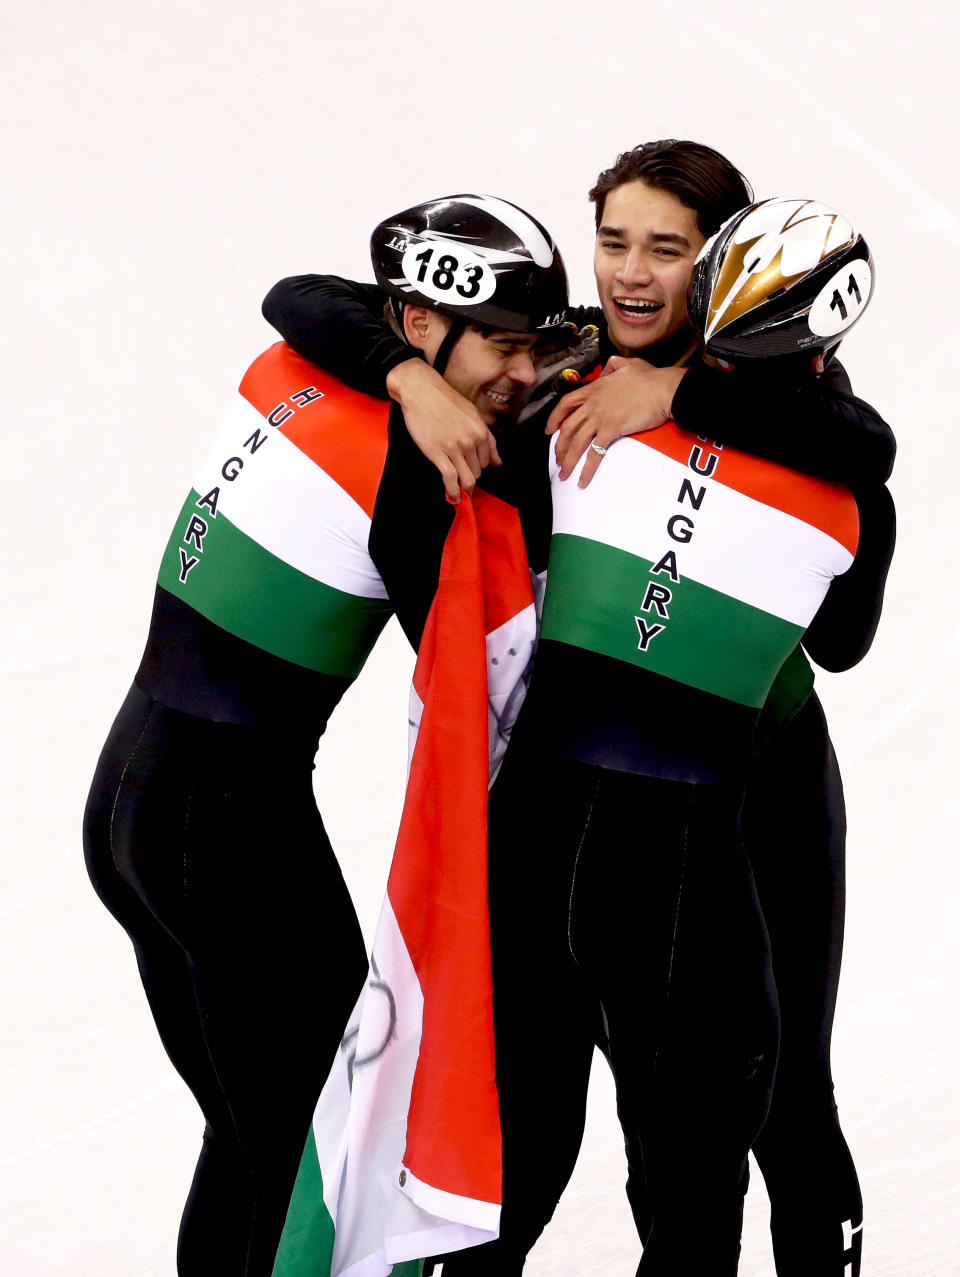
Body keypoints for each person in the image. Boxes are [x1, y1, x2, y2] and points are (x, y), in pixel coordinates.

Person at [260, 141, 894, 1276]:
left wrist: (679, 391)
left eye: (669, 247)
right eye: (613, 242)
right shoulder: (568, 363)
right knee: (521, 1131)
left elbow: (864, 448)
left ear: (725, 265)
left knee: (788, 1095)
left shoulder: (789, 392)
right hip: (579, 798)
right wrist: (408, 377)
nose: (631, 274)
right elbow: (312, 300)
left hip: (761, 797)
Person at [82, 192, 569, 1277]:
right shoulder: (418, 467)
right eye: (504, 347)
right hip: (231, 835)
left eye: (536, 350)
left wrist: (410, 379)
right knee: (306, 1157)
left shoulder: (292, 360)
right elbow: (485, 672)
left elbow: (306, 296)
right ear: (418, 322)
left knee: (252, 1136)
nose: (522, 377)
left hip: (126, 808)